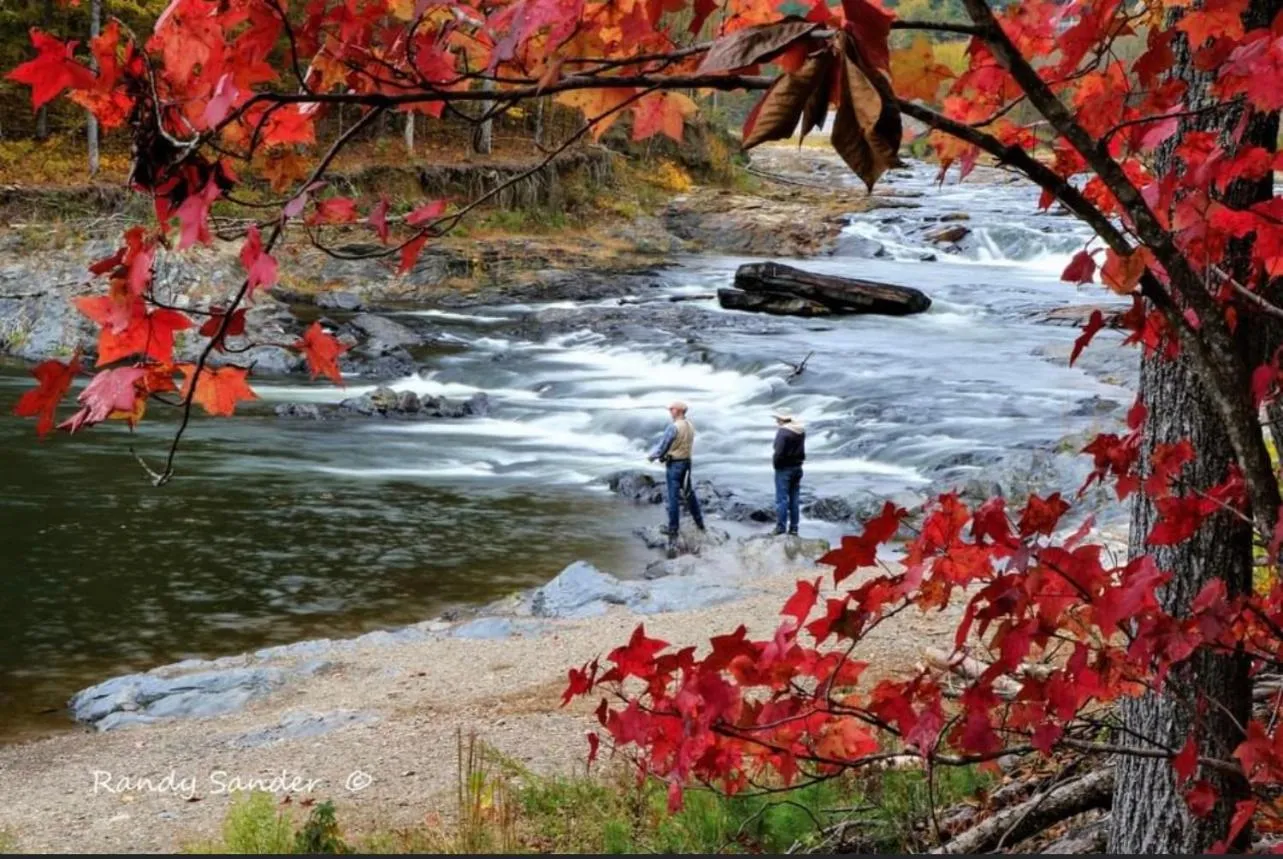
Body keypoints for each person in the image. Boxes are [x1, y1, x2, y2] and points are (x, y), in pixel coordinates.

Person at [647, 401, 706, 539]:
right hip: (687, 464)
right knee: (689, 494)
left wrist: (653, 457)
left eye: (672, 409)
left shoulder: (673, 427)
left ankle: (673, 528)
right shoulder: (690, 425)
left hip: (674, 466)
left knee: (673, 497)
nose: (670, 411)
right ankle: (700, 523)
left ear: (678, 411)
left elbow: (663, 446)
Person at [772, 407, 806, 536]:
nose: (776, 422)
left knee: (782, 500)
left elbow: (778, 452)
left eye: (777, 419)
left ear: (781, 419)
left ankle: (780, 528)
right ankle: (794, 528)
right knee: (794, 499)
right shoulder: (800, 430)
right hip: (798, 468)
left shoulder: (783, 433)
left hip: (784, 469)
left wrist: (776, 466)